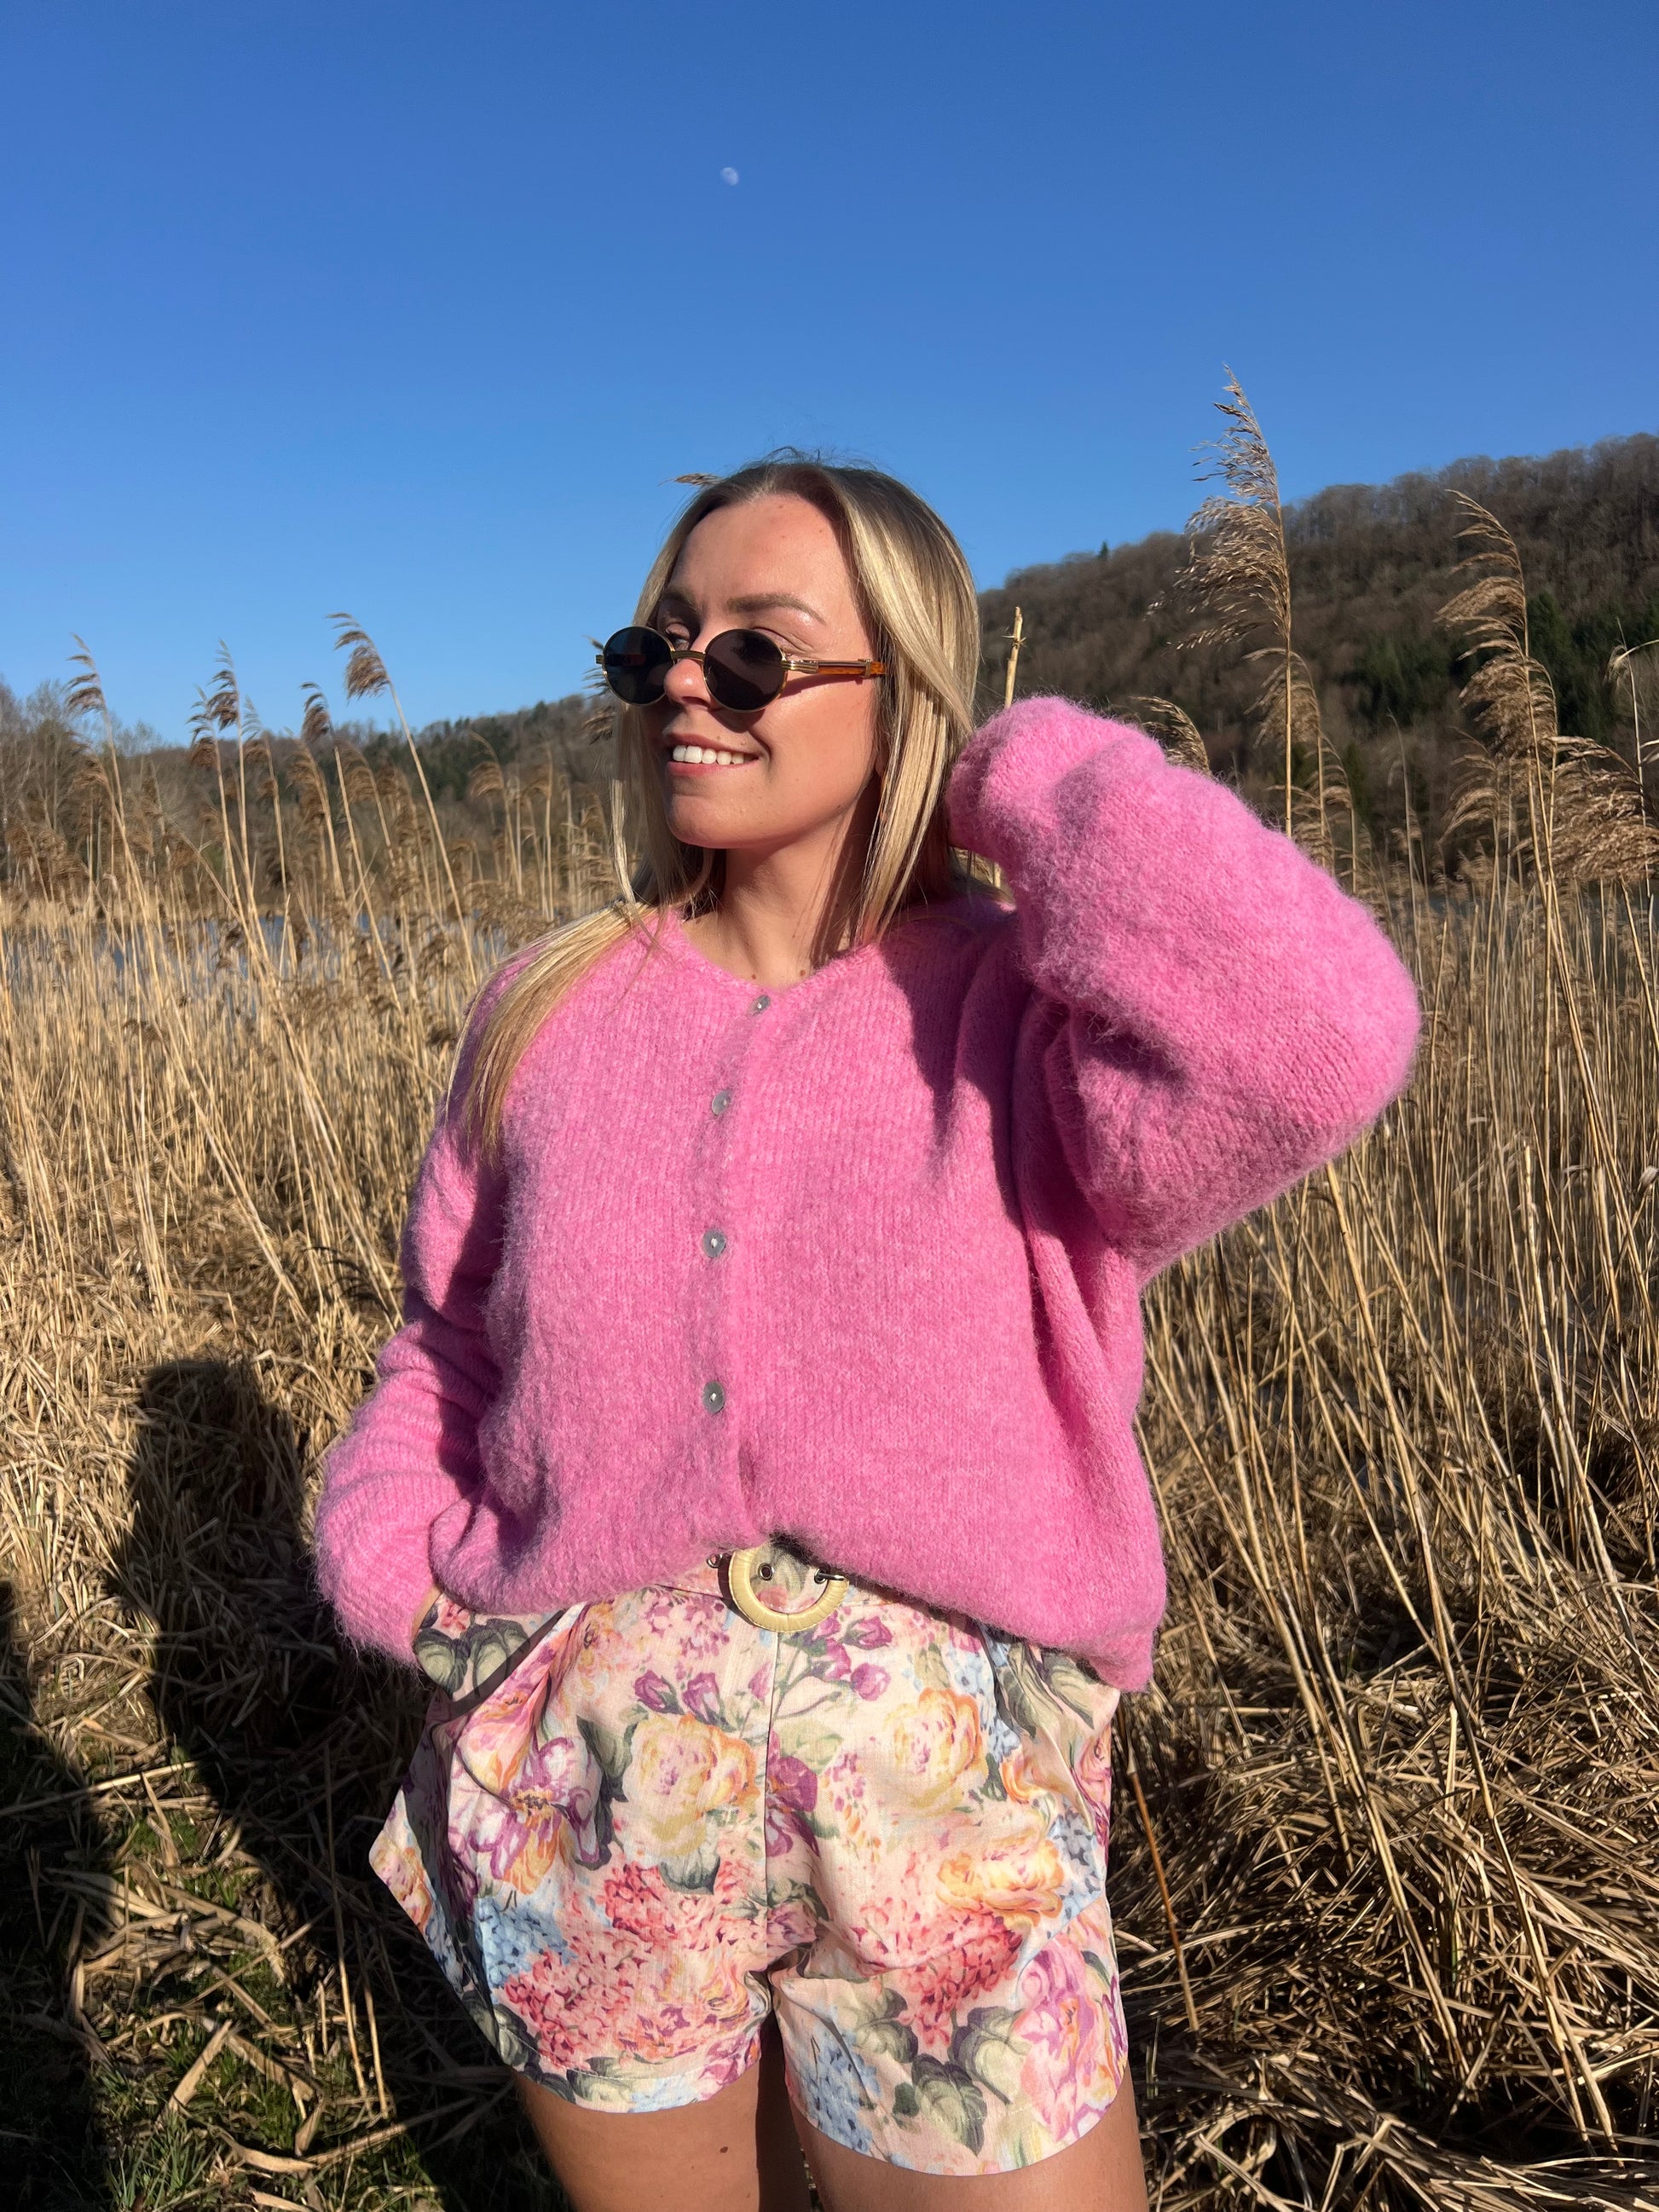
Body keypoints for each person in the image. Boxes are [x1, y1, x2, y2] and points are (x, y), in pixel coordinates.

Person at [312, 455, 1421, 2211]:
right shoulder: (545, 1008)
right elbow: (447, 1338)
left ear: (896, 689)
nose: (686, 684)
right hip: (588, 1777)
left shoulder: (1027, 1021)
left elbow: (1317, 1032)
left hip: (942, 1798)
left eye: (755, 651)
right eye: (657, 645)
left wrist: (1009, 769)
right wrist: (402, 1572)